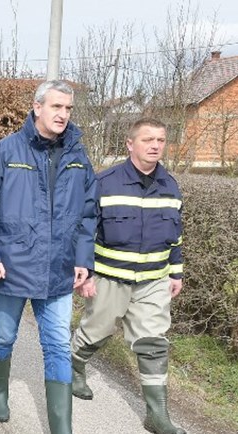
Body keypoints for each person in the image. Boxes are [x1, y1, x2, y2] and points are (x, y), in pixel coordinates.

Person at [0, 80, 97, 434]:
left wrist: (84, 259)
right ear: (37, 107)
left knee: (56, 343)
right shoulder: (5, 152)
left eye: (68, 109)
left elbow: (88, 214)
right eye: (56, 107)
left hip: (59, 270)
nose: (63, 115)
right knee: (5, 335)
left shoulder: (78, 157)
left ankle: (61, 429)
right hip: (12, 268)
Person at [71, 118, 186, 434]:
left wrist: (175, 272)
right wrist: (86, 274)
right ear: (130, 143)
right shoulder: (104, 182)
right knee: (96, 331)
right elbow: (84, 231)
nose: (155, 146)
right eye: (148, 139)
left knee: (153, 342)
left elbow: (175, 235)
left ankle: (157, 415)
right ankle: (75, 366)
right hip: (110, 278)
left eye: (160, 140)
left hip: (154, 280)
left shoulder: (170, 186)